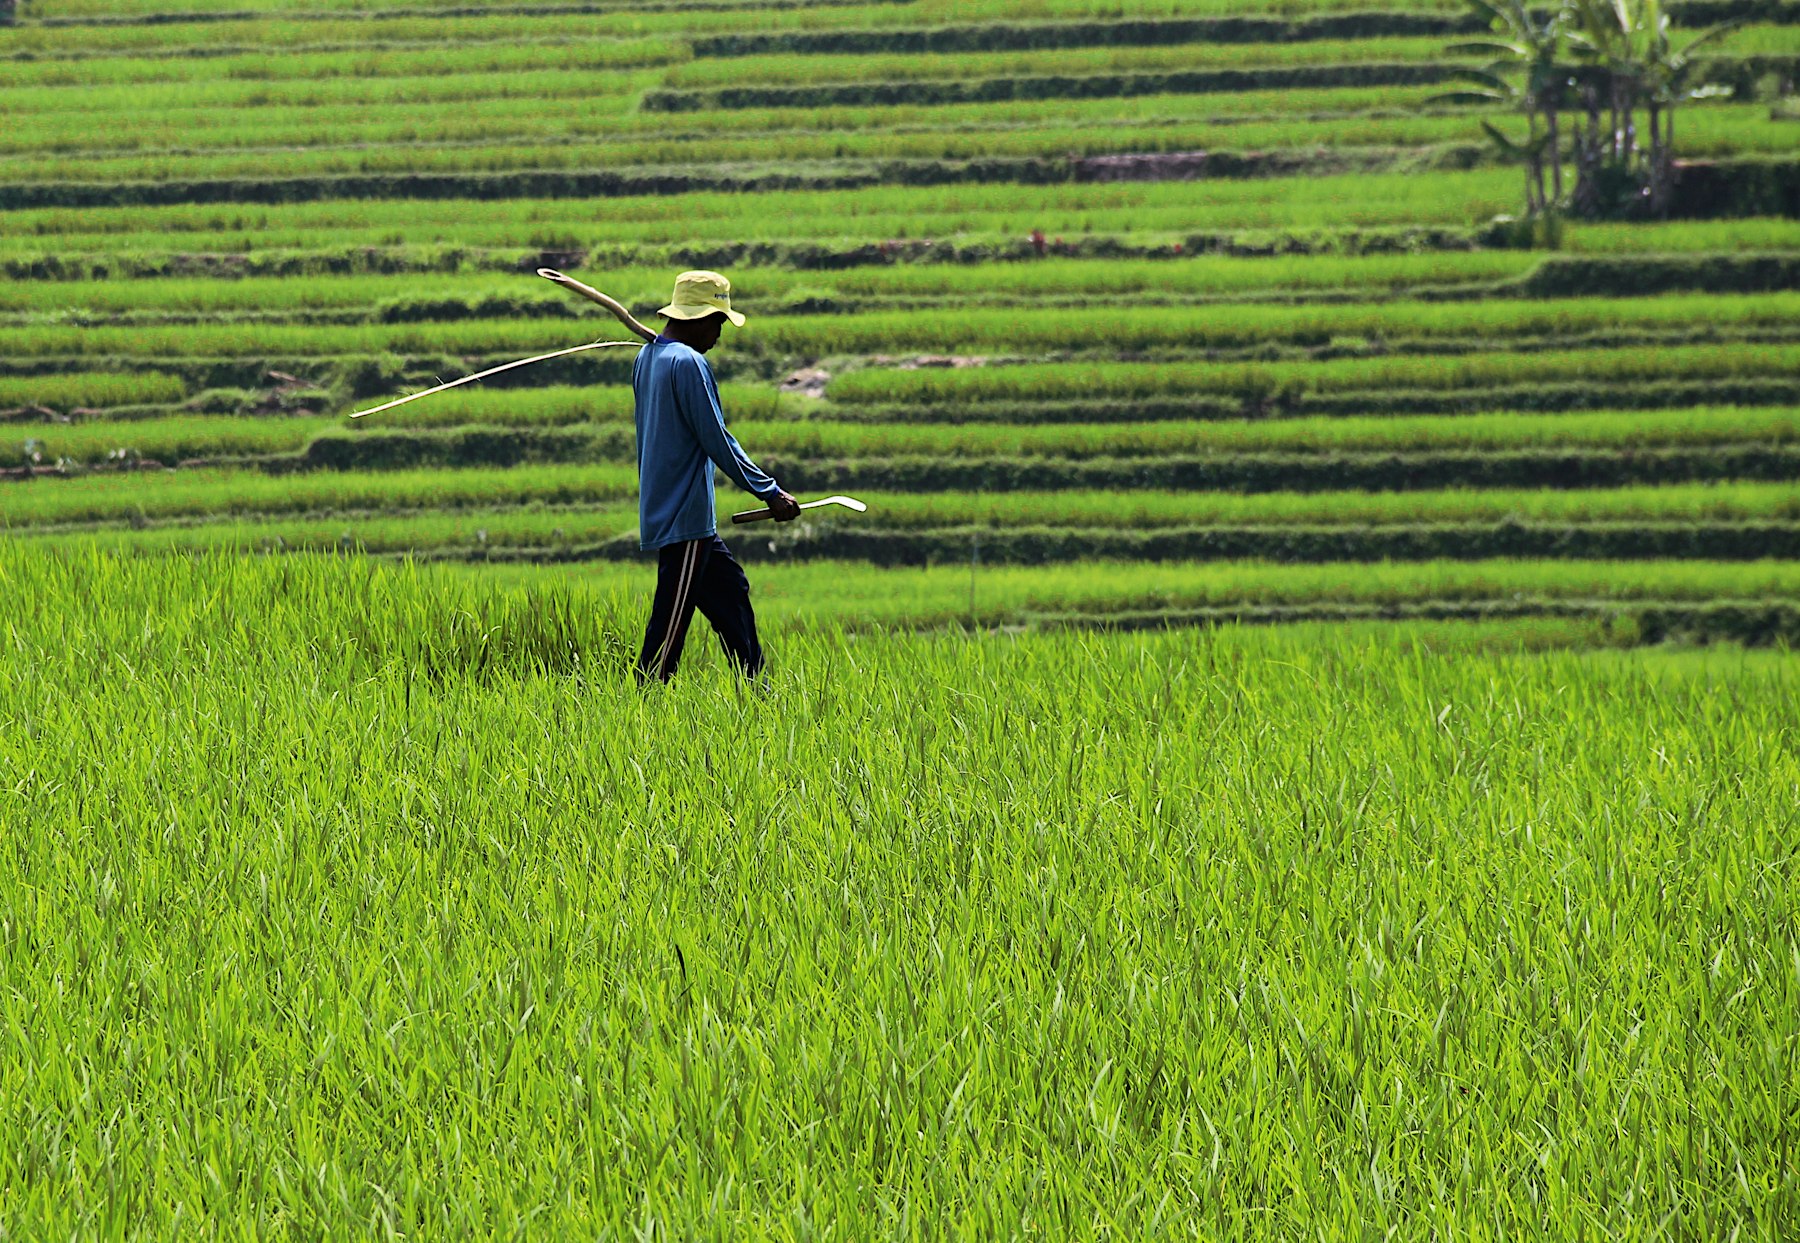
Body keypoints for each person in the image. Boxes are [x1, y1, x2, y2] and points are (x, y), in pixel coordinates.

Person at [632, 269, 799, 683]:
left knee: (731, 591)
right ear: (701, 318)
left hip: (677, 511)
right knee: (668, 632)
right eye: (719, 322)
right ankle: (641, 701)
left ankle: (756, 688)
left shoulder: (649, 358)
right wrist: (769, 490)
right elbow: (717, 440)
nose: (720, 335)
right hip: (682, 516)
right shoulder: (688, 363)